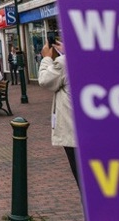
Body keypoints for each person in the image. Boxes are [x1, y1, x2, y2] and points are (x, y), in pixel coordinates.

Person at [38, 39, 79, 189]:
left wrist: (46, 58)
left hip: (73, 131)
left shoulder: (64, 62)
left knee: (82, 179)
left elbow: (44, 80)